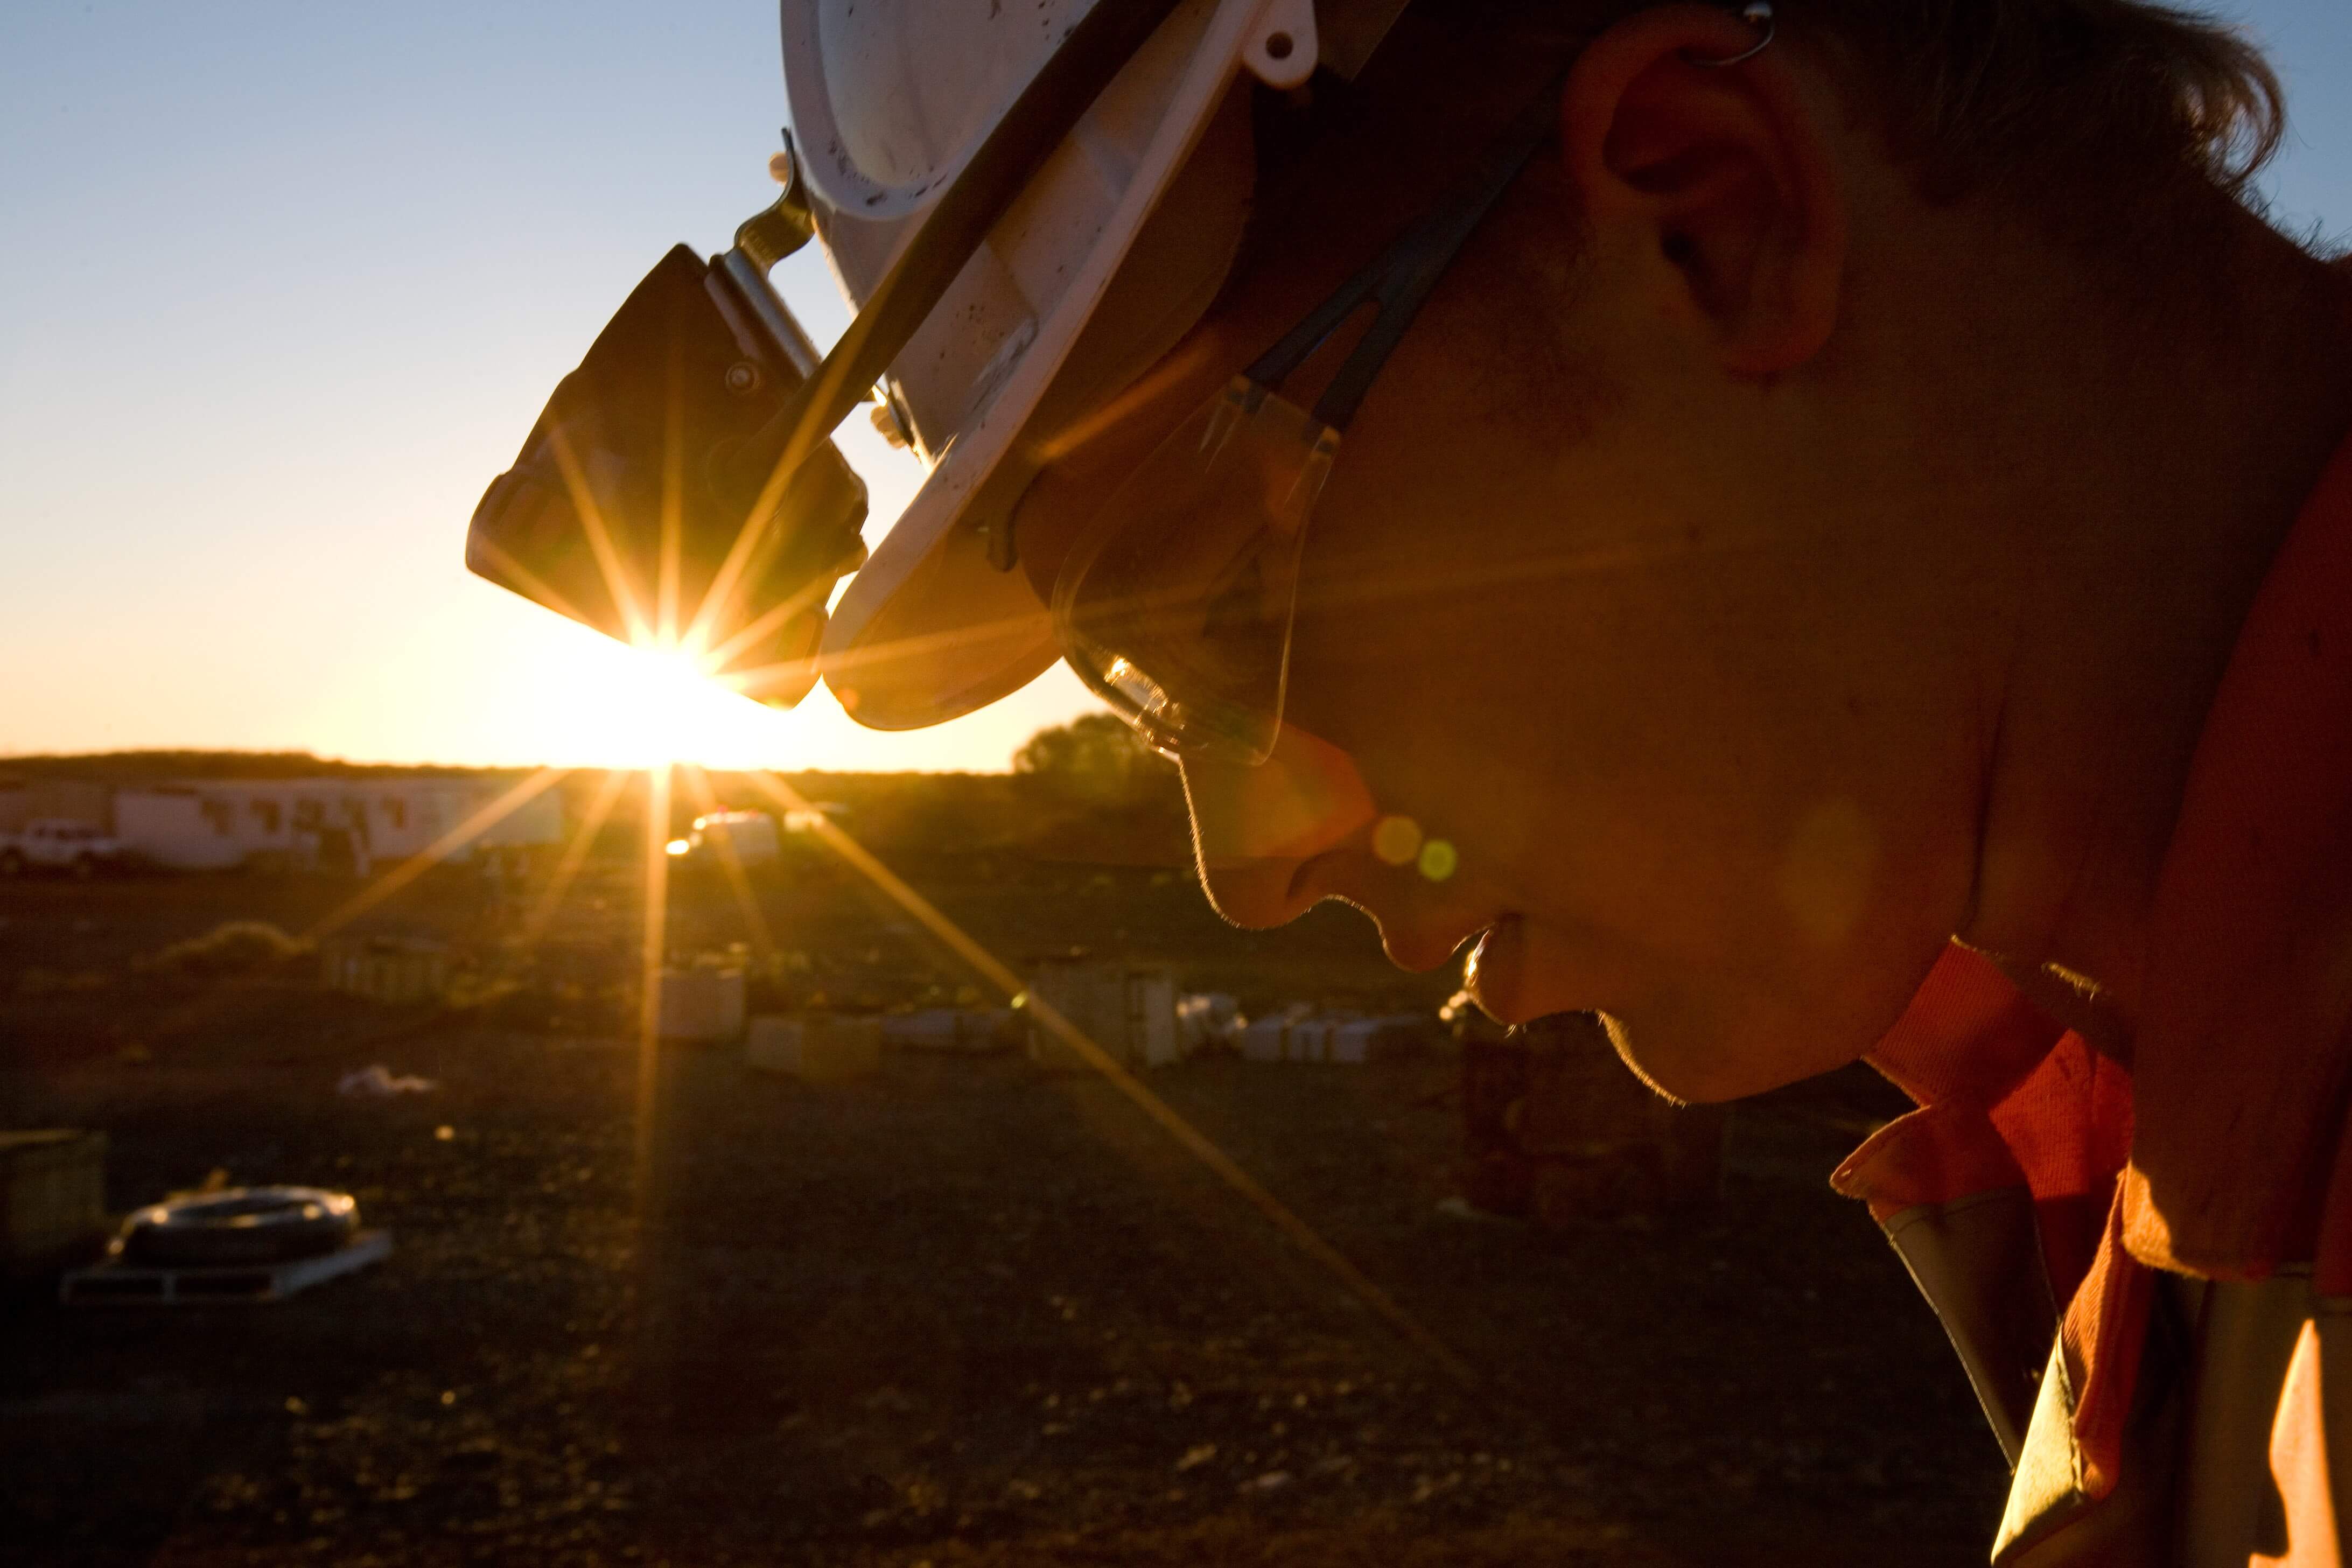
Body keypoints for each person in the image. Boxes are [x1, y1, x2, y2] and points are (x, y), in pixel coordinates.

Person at [765, 1, 2352, 1558]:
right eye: (1154, 704)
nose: (1245, 875)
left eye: (1231, 612)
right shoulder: (2163, 1162)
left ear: (1714, 219)